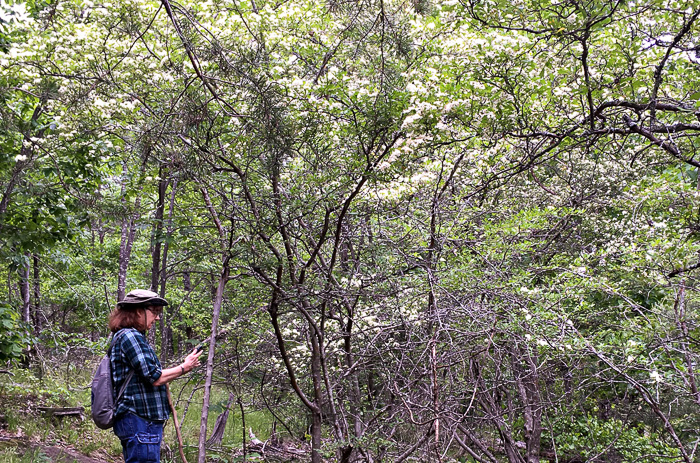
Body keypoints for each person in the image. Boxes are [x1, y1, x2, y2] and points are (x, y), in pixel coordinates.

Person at [108, 289, 201, 463]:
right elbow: (155, 377)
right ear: (137, 311)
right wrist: (184, 367)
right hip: (140, 420)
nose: (157, 318)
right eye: (154, 312)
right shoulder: (130, 336)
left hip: (140, 421)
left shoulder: (130, 336)